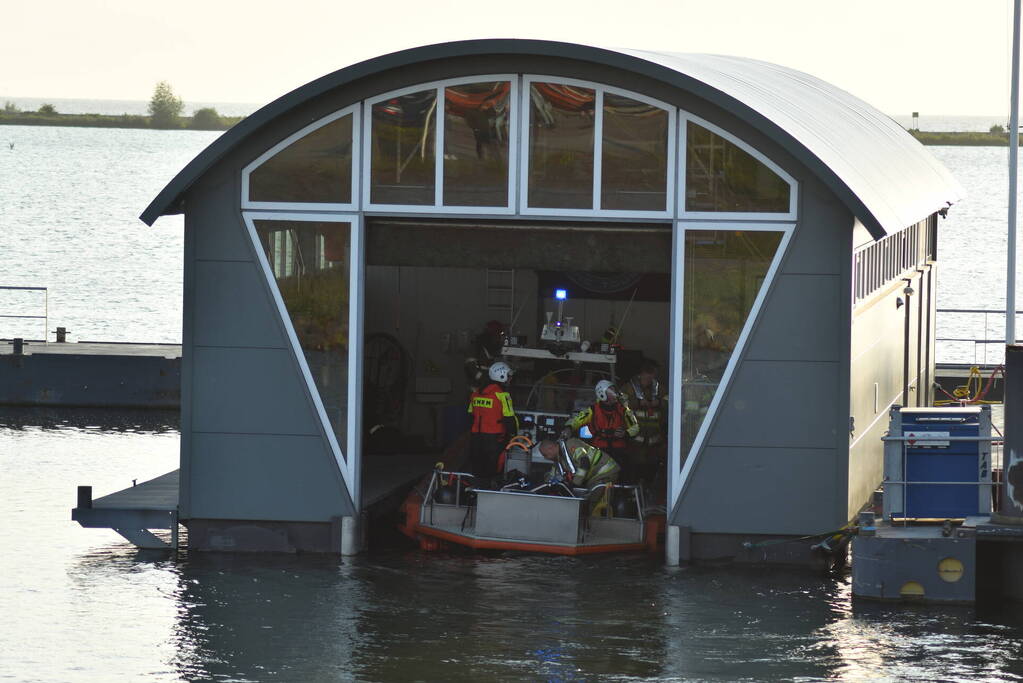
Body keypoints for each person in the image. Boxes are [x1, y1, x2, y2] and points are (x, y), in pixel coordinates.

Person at [562, 379, 639, 478]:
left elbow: (635, 427)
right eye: (611, 391)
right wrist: (568, 428)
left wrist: (626, 433)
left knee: (623, 474)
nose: (615, 394)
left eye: (614, 390)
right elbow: (577, 420)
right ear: (602, 394)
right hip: (599, 449)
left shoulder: (624, 410)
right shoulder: (593, 410)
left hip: (618, 450)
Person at [619, 360, 668, 486]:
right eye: (647, 376)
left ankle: (648, 488)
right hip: (634, 441)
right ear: (641, 374)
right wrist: (638, 403)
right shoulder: (628, 388)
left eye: (651, 377)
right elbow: (620, 404)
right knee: (634, 468)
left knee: (652, 468)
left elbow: (671, 402)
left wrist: (660, 403)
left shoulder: (660, 388)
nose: (649, 380)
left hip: (654, 440)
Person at [467, 361, 517, 483]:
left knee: (478, 467)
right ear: (502, 376)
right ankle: (492, 489)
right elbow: (509, 418)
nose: (510, 378)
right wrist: (513, 435)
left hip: (476, 437)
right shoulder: (502, 395)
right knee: (495, 469)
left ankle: (476, 489)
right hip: (495, 438)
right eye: (508, 375)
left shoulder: (476, 393)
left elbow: (471, 414)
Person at [538, 438, 620, 489]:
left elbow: (584, 463)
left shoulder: (571, 444)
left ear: (550, 448)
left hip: (606, 471)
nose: (546, 458)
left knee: (593, 500)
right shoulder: (559, 460)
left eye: (545, 455)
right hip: (595, 477)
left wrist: (575, 483)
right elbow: (552, 475)